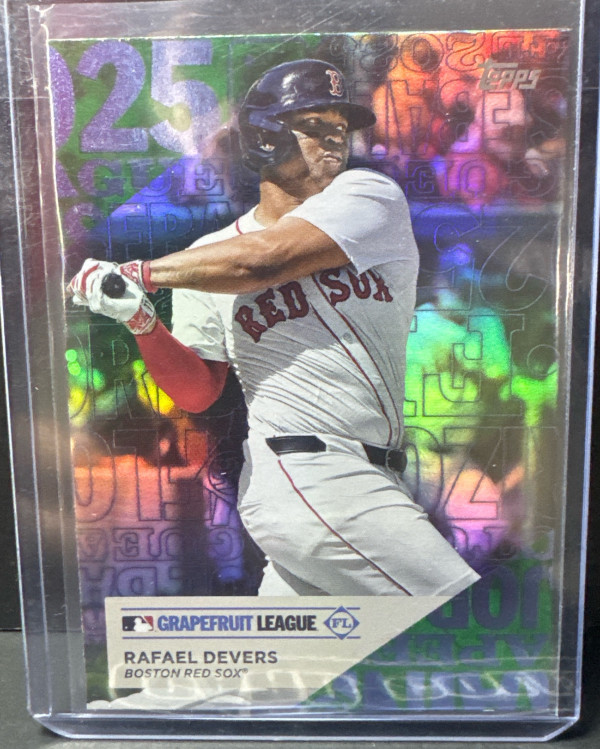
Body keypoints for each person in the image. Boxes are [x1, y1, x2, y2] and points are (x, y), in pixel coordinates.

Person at [69, 59, 480, 597]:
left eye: (341, 126)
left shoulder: (369, 195)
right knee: (458, 617)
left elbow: (263, 259)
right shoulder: (206, 258)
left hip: (373, 474)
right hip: (308, 473)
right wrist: (142, 322)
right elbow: (198, 392)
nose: (334, 138)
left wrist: (138, 273)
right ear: (264, 136)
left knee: (295, 656)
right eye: (313, 125)